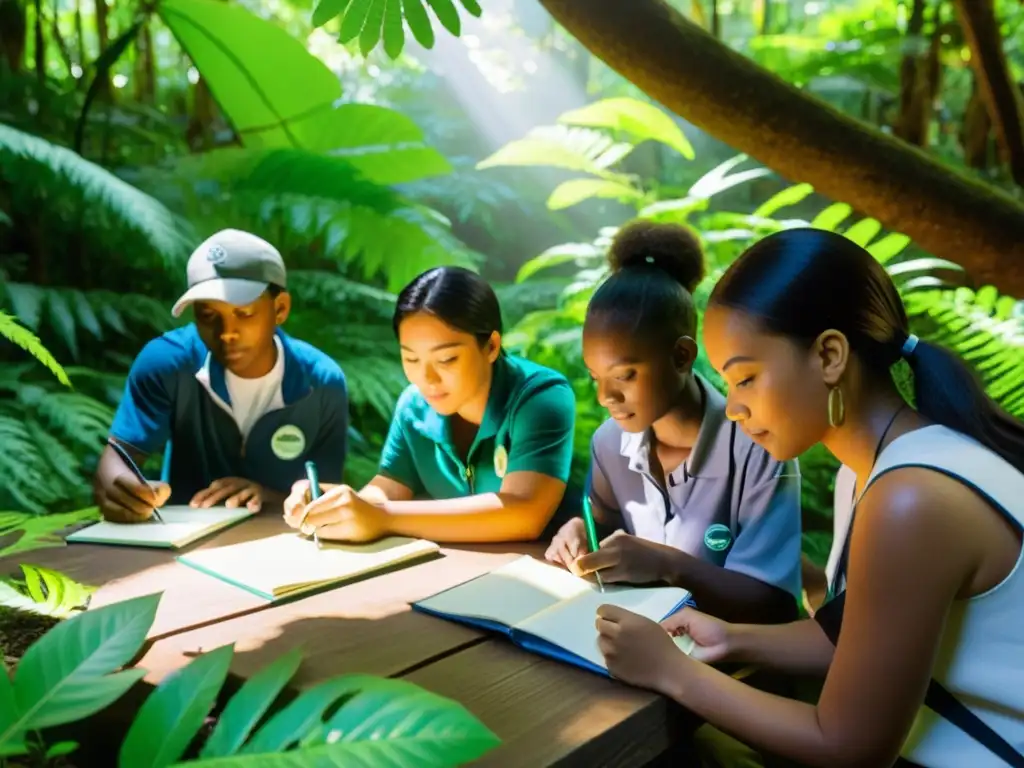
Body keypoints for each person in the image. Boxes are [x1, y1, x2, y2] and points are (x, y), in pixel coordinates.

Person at [594, 228, 1024, 768]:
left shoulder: (909, 500)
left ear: (828, 355)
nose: (732, 409)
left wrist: (672, 671)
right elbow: (859, 644)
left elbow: (848, 745)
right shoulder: (879, 470)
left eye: (745, 379)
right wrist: (731, 638)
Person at [545, 220, 803, 624]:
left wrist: (668, 564)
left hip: (734, 661)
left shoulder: (759, 448)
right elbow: (603, 522)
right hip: (639, 643)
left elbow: (775, 604)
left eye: (625, 375)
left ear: (682, 357)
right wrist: (579, 531)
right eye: (596, 377)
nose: (606, 397)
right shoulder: (611, 442)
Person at [282, 266, 576, 543]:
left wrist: (381, 517)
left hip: (548, 573)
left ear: (491, 346)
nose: (427, 379)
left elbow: (524, 514)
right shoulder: (414, 406)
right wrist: (334, 503)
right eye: (411, 359)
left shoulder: (540, 397)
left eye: (447, 359)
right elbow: (386, 492)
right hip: (451, 574)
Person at [94, 229, 349, 522]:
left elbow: (328, 495)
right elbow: (117, 458)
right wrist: (121, 489)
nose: (227, 332)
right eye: (208, 315)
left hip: (282, 543)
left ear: (280, 309)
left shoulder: (321, 382)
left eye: (244, 313)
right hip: (181, 542)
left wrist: (267, 496)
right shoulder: (167, 363)